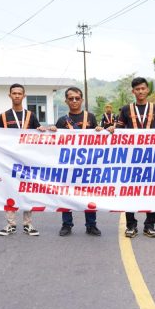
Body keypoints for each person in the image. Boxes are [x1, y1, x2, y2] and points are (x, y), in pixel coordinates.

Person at [108, 77, 155, 238]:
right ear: (133, 91)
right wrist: (113, 128)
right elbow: (119, 129)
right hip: (131, 158)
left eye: (143, 88)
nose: (140, 91)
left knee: (152, 191)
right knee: (130, 191)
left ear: (147, 90)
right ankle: (131, 225)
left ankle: (150, 225)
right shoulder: (126, 109)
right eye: (137, 89)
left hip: (152, 157)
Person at [0, 83, 46, 237]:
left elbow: (38, 134)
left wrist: (41, 130)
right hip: (9, 161)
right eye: (14, 93)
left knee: (27, 190)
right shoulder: (4, 116)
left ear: (24, 96)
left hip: (26, 160)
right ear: (9, 95)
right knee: (9, 189)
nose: (17, 96)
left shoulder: (31, 116)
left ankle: (28, 224)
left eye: (19, 93)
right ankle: (10, 224)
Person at [55, 87, 104, 237]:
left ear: (82, 100)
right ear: (66, 101)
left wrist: (100, 130)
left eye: (77, 98)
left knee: (89, 194)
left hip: (88, 164)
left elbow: (98, 138)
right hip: (68, 164)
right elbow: (53, 143)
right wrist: (51, 130)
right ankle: (66, 224)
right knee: (66, 193)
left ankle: (91, 225)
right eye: (71, 98)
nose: (74, 101)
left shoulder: (90, 117)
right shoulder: (62, 121)